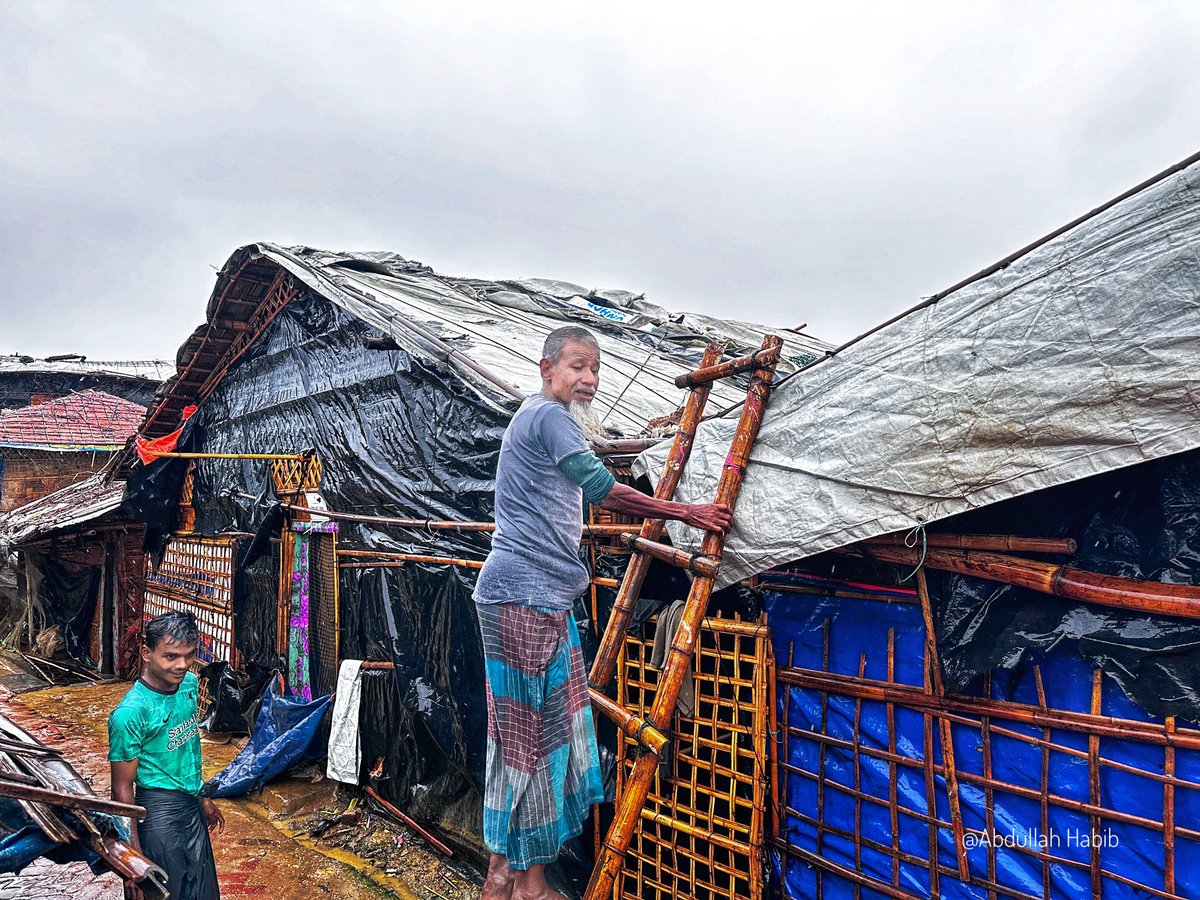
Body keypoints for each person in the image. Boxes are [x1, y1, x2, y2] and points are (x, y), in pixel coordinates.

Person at [473, 325, 733, 900]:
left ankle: (514, 874)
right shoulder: (548, 415)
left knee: (537, 733)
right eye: (577, 366)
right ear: (547, 369)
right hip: (525, 596)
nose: (588, 378)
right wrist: (684, 510)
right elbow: (601, 488)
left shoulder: (541, 420)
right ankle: (518, 880)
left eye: (595, 368)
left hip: (535, 596)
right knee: (529, 738)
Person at [109, 611, 224, 900]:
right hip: (157, 816)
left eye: (189, 655)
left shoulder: (188, 685)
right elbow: (122, 788)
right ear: (147, 653)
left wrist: (202, 796)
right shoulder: (130, 714)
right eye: (171, 656)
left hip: (190, 807)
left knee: (201, 891)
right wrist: (132, 858)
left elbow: (189, 748)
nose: (182, 665)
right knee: (165, 893)